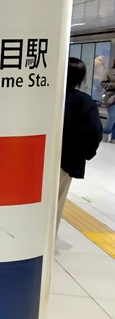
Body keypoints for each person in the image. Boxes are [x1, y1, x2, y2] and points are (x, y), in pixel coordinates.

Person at [58, 57, 102, 234]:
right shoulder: (83, 101)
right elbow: (93, 132)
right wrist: (83, 154)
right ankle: (46, 242)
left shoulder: (42, 97)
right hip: (66, 161)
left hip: (34, 158)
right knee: (56, 202)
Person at [99, 59, 115, 141]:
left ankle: (114, 138)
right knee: (112, 116)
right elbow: (103, 83)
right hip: (111, 97)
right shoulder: (110, 72)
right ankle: (105, 131)